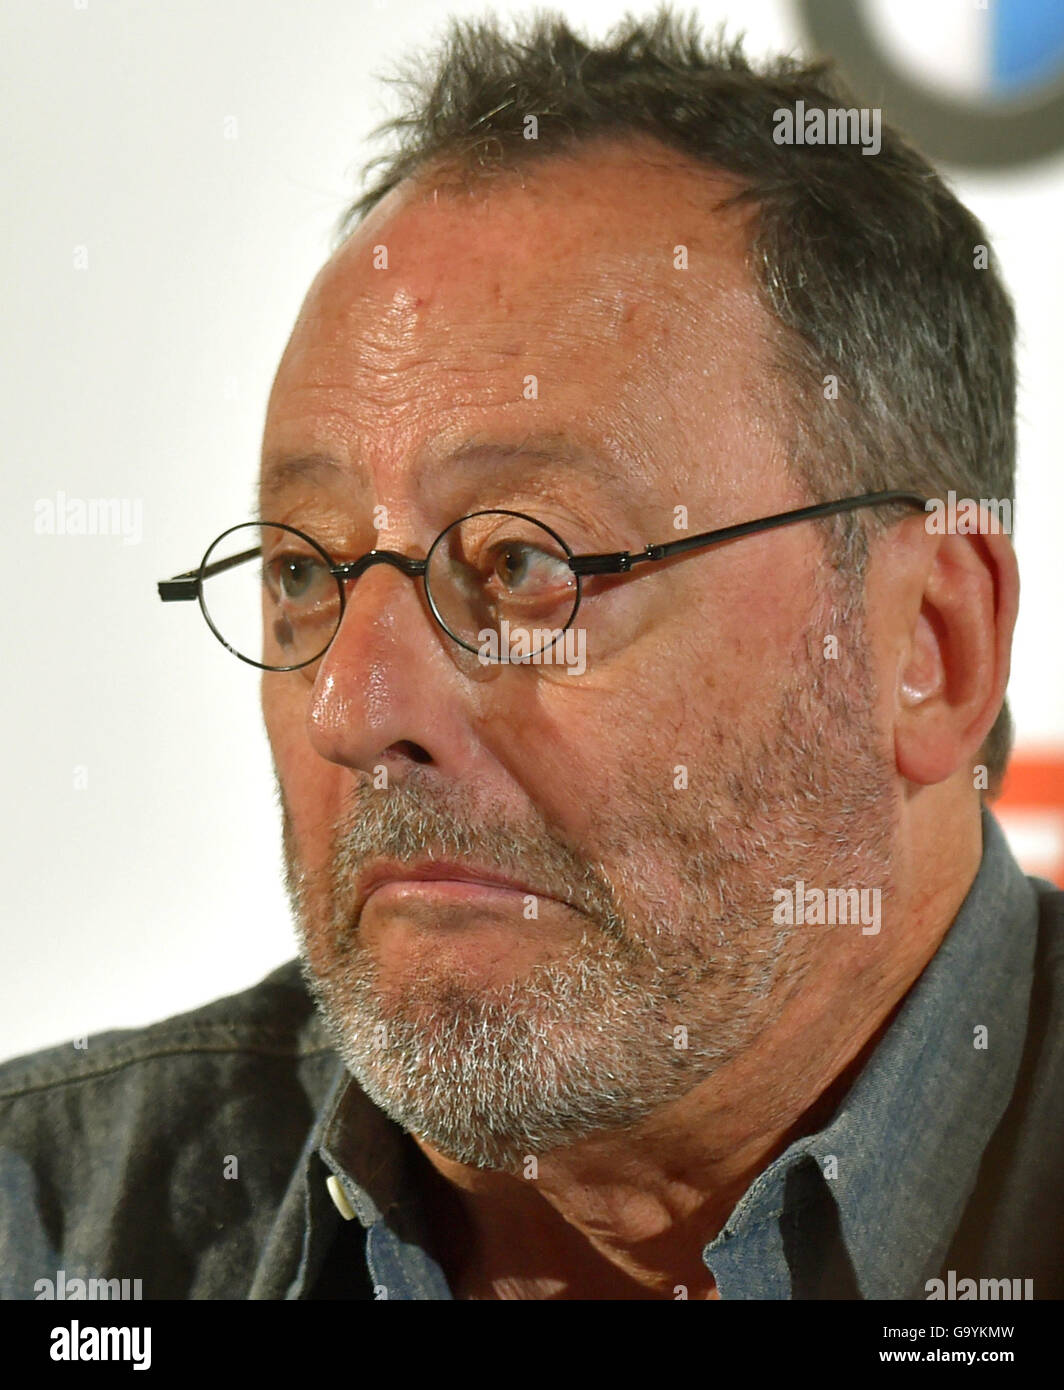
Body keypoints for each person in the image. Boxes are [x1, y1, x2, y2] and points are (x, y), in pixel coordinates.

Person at [3, 10, 1060, 1301]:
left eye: (519, 565)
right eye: (301, 572)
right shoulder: (51, 1240)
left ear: (929, 646)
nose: (355, 703)